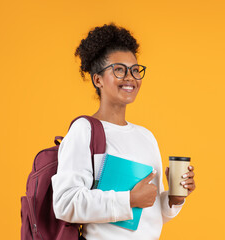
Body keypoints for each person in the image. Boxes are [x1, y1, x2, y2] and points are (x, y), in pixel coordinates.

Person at [51, 23, 196, 240]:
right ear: (97, 79)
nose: (130, 77)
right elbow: (66, 204)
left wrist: (173, 199)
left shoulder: (146, 137)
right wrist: (129, 199)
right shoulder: (85, 130)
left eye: (135, 70)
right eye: (119, 69)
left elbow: (147, 215)